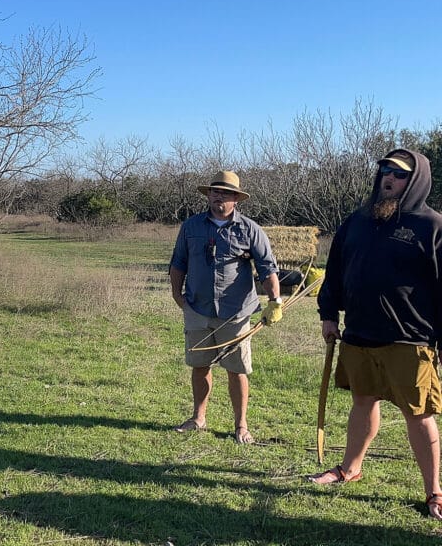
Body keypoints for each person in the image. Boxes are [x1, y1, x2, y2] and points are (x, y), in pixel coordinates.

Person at [309, 148, 442, 521]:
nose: (388, 178)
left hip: (410, 338)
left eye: (398, 174)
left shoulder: (432, 226)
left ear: (415, 180)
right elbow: (334, 271)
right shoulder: (357, 222)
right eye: (384, 170)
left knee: (419, 415)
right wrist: (327, 314)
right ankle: (350, 468)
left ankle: (434, 491)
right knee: (363, 402)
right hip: (359, 334)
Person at [169, 170, 281, 444]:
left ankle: (241, 426)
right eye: (215, 192)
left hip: (236, 312)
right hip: (197, 308)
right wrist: (177, 296)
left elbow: (267, 267)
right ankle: (198, 418)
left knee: (237, 369)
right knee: (200, 366)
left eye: (226, 193)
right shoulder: (191, 227)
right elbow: (178, 262)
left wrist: (275, 301)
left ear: (236, 199)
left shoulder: (250, 229)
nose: (219, 196)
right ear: (209, 195)